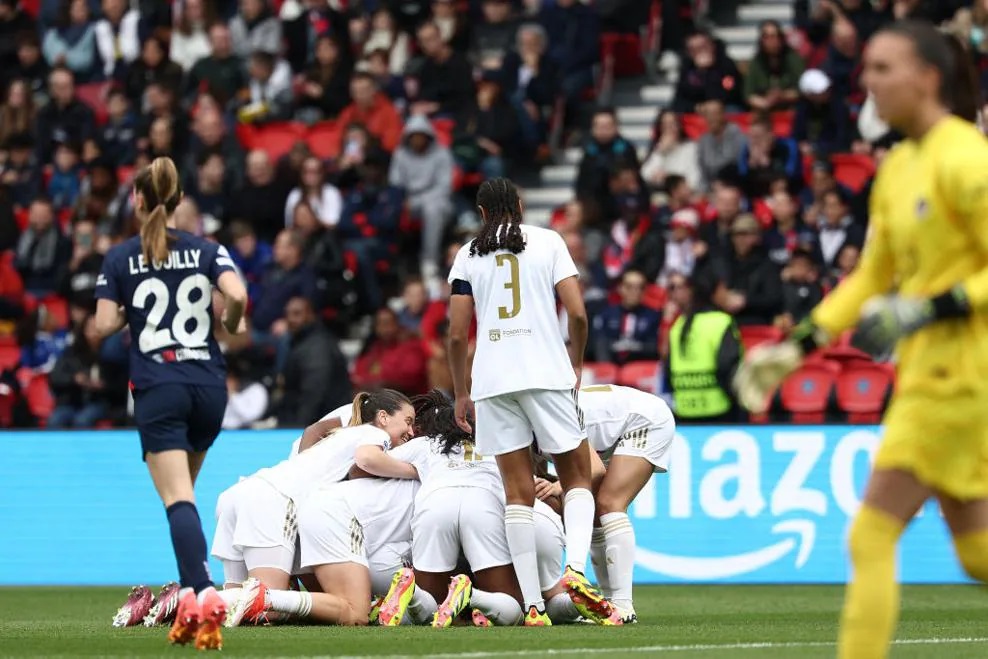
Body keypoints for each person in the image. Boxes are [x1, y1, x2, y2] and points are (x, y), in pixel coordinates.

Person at [732, 23, 988, 659]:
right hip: (929, 375)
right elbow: (871, 276)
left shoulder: (966, 158)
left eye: (882, 68)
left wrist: (932, 306)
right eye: (866, 68)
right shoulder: (898, 166)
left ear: (927, 77)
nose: (867, 82)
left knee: (871, 535)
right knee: (978, 551)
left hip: (963, 376)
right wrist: (797, 343)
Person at [93, 156, 249, 651]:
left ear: (137, 201)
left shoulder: (121, 258)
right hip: (208, 387)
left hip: (160, 387)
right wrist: (231, 323)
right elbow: (239, 296)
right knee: (187, 497)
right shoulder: (207, 250)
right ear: (180, 200)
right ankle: (187, 589)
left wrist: (125, 313)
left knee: (176, 500)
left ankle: (202, 593)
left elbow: (100, 326)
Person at [446, 177, 617, 625]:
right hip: (545, 371)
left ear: (482, 214)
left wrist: (462, 391)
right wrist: (575, 361)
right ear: (520, 206)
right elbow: (577, 313)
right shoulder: (548, 241)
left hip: (492, 380)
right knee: (578, 474)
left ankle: (534, 605)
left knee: (517, 493)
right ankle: (576, 572)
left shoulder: (468, 255)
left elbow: (455, 334)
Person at [212, 390, 416, 598]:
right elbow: (367, 459)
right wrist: (415, 471)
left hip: (240, 494)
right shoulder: (375, 434)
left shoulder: (343, 435)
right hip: (273, 499)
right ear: (383, 417)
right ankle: (186, 601)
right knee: (265, 603)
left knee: (233, 605)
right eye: (408, 421)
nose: (411, 431)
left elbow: (356, 469)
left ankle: (195, 603)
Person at [376, 390, 526, 628]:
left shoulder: (424, 444)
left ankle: (410, 592)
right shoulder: (493, 443)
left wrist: (415, 471)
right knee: (513, 607)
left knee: (430, 608)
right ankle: (472, 596)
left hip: (436, 503)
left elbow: (366, 464)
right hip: (483, 504)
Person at [549, 384, 675, 624]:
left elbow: (593, 470)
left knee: (609, 502)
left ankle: (624, 605)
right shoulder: (530, 423)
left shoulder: (554, 417)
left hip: (646, 420)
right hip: (611, 431)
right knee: (593, 511)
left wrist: (560, 486)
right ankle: (606, 604)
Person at [665, 268, 743, 423]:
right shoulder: (721, 322)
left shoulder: (678, 324)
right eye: (724, 288)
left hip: (684, 411)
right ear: (715, 292)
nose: (726, 293)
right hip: (719, 411)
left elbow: (667, 369)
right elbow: (728, 367)